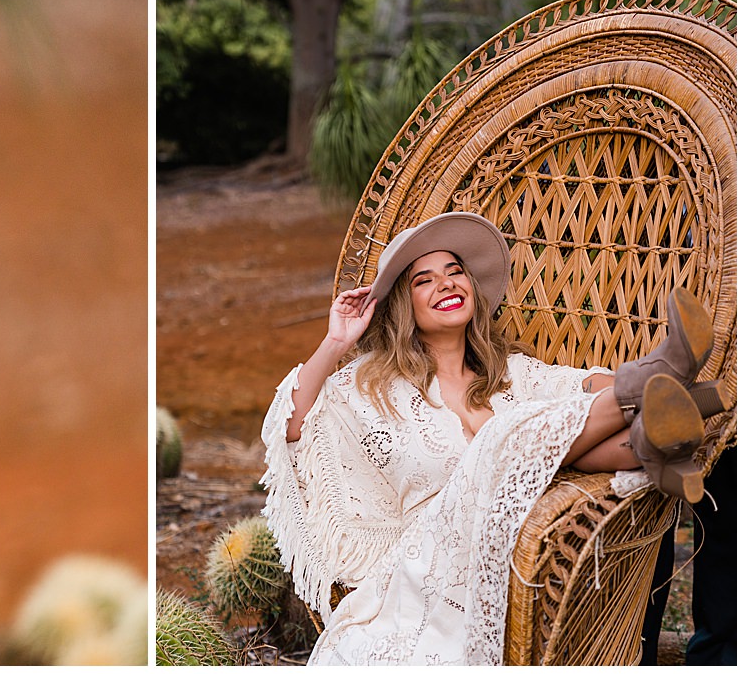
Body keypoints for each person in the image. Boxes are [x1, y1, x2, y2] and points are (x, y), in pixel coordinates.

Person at [260, 211, 722, 666]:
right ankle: (658, 395)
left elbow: (580, 387)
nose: (445, 283)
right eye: (424, 280)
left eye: (455, 271)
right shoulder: (369, 386)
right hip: (431, 564)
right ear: (405, 305)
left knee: (542, 421)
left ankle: (653, 430)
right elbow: (293, 429)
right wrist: (337, 341)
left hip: (521, 540)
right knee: (502, 436)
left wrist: (618, 387)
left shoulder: (508, 375)